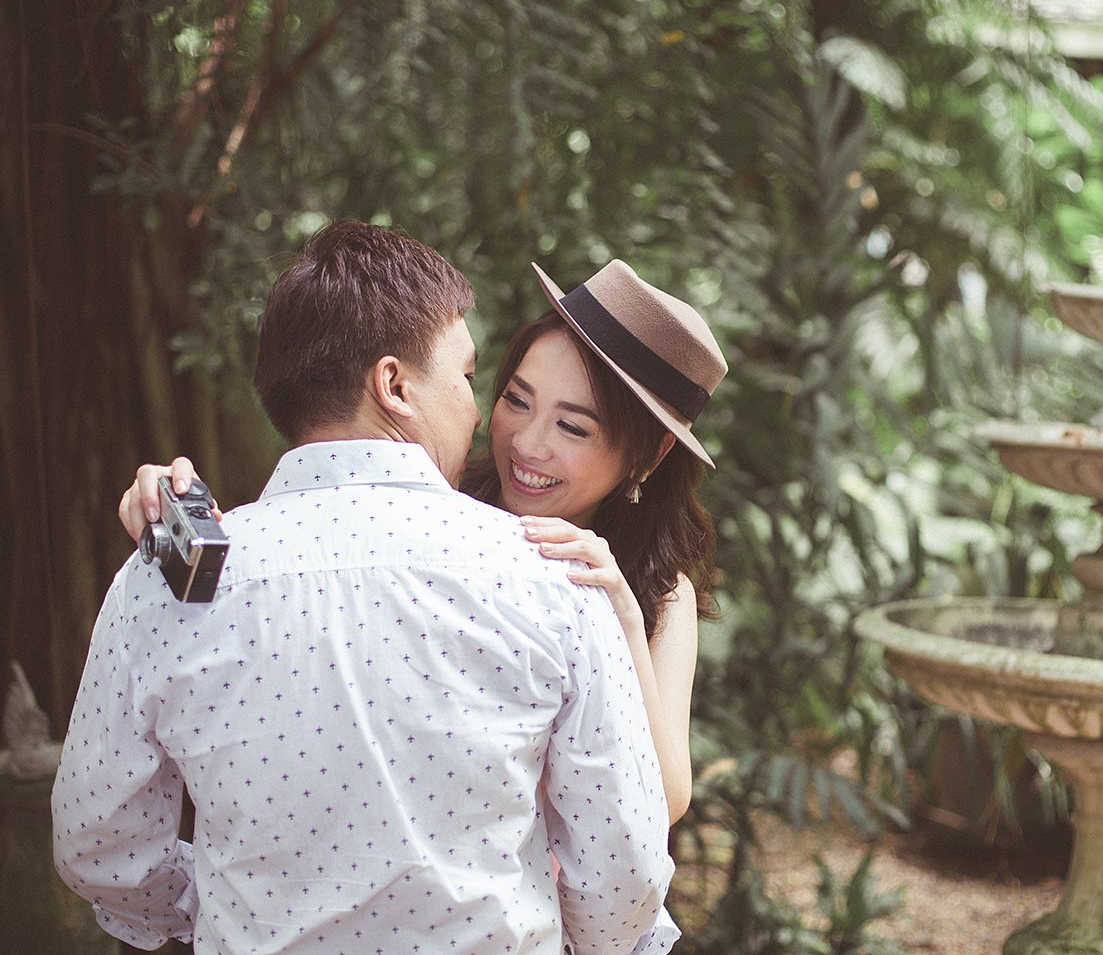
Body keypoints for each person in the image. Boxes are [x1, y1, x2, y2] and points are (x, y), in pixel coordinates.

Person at [55, 220, 678, 954]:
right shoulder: (554, 582)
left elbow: (97, 843)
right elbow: (622, 882)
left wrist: (226, 913)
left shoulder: (169, 580)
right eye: (473, 378)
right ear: (394, 385)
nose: (484, 416)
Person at [119, 258, 728, 828]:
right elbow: (300, 573)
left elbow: (665, 798)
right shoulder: (440, 497)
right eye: (516, 399)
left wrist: (620, 616)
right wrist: (172, 517)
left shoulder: (657, 589)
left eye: (573, 426)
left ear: (648, 456)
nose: (526, 444)